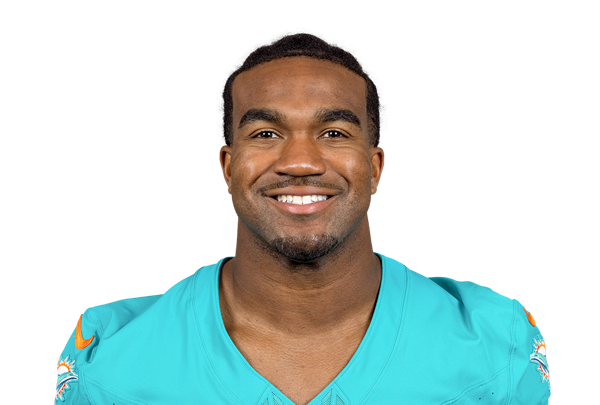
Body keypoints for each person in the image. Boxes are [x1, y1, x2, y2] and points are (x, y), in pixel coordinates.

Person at [56, 29, 550, 404]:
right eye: (265, 134)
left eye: (334, 133)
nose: (300, 163)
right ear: (228, 167)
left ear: (374, 167)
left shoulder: (495, 343)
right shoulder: (110, 359)